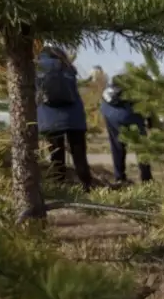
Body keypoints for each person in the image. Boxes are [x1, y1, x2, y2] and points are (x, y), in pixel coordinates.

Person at [36, 46, 93, 191]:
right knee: (79, 155)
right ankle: (87, 186)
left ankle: (59, 186)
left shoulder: (36, 67)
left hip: (50, 118)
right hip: (74, 117)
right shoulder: (68, 67)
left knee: (56, 156)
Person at [100, 76, 153, 186]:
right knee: (141, 147)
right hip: (131, 115)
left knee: (117, 146)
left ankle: (119, 178)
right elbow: (147, 106)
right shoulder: (141, 87)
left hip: (110, 113)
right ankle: (147, 179)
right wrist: (150, 121)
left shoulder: (111, 88)